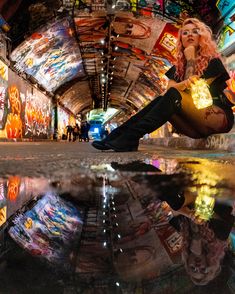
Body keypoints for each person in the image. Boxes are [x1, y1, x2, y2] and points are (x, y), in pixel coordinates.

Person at [92, 18, 234, 152]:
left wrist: (190, 58)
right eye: (185, 33)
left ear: (201, 37)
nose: (189, 34)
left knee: (173, 94)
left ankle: (130, 137)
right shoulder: (177, 68)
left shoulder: (213, 62)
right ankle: (117, 135)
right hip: (194, 126)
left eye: (195, 31)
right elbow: (168, 92)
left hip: (217, 118)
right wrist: (183, 76)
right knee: (162, 99)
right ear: (181, 40)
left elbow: (191, 91)